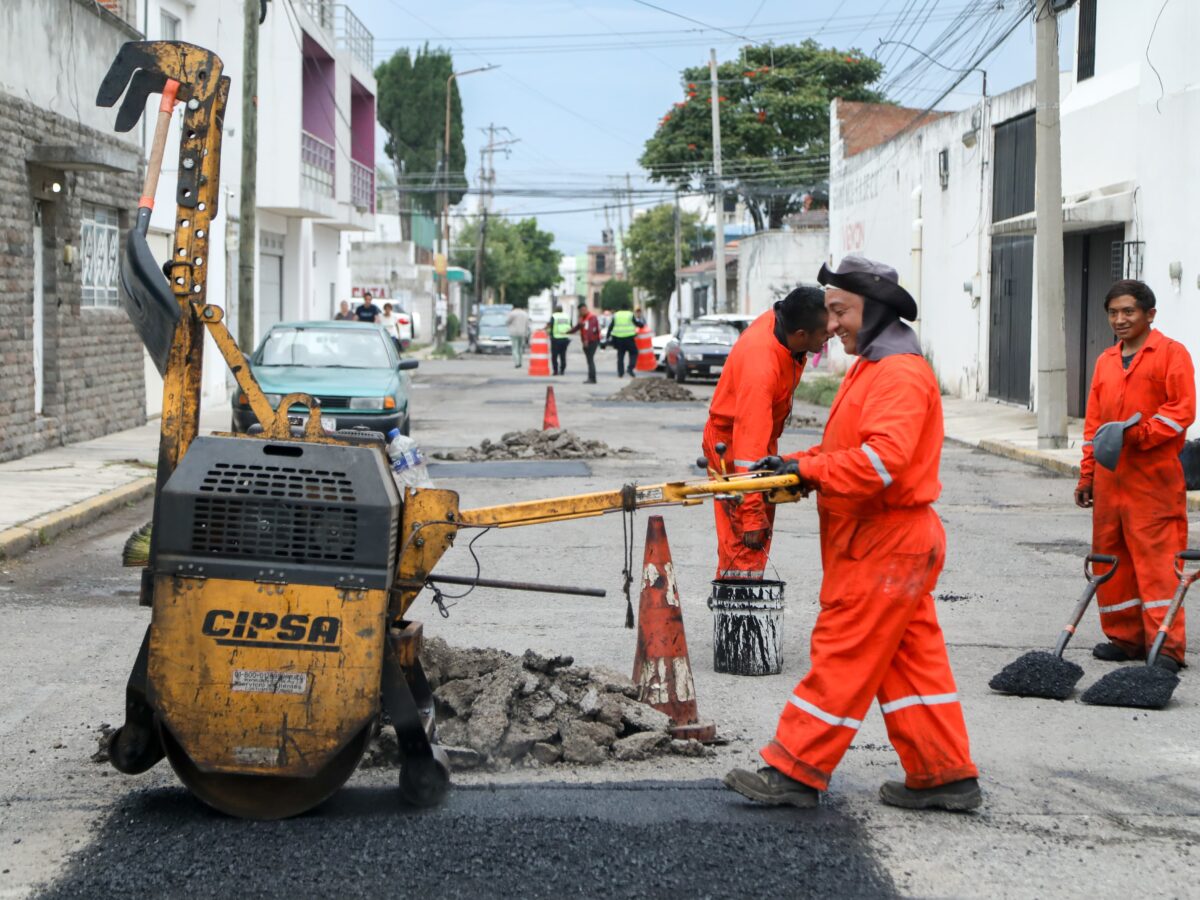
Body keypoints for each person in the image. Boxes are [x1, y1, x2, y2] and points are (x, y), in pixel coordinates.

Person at [725, 255, 980, 812]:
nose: (831, 324)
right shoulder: (873, 365)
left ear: (876, 309)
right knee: (911, 664)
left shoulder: (898, 374)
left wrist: (809, 470)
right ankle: (944, 775)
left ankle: (794, 769)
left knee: (841, 655)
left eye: (840, 311)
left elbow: (880, 464)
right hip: (885, 543)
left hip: (884, 544)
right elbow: (847, 449)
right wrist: (793, 466)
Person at [1075, 279, 1195, 671]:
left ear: (1149, 314)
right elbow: (1094, 425)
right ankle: (1125, 639)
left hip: (1153, 482)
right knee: (1112, 562)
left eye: (1129, 311)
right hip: (1111, 482)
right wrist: (1088, 474)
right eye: (1113, 313)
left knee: (1158, 565)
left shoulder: (1171, 354)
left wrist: (1141, 434)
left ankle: (1166, 647)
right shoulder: (1106, 361)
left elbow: (1181, 410)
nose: (1120, 319)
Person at [702, 285, 828, 581]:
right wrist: (752, 515)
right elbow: (748, 451)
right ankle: (740, 602)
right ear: (801, 334)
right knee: (746, 541)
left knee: (752, 537)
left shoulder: (784, 330)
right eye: (824, 332)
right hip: (733, 446)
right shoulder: (761, 366)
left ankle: (742, 591)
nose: (831, 335)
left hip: (754, 439)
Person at [606, 306, 645, 377]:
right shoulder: (630, 314)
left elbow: (611, 326)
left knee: (620, 356)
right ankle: (630, 368)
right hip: (629, 338)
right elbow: (636, 323)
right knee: (634, 353)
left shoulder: (616, 315)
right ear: (627, 308)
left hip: (618, 338)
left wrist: (607, 336)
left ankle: (620, 373)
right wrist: (642, 325)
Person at [569, 302, 602, 383]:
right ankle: (591, 378)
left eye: (583, 310)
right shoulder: (583, 318)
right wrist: (567, 332)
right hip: (587, 341)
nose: (582, 312)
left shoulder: (591, 318)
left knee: (590, 360)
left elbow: (590, 330)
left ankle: (592, 378)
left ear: (586, 309)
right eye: (580, 311)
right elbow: (577, 327)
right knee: (589, 360)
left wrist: (586, 341)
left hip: (592, 341)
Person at [548, 305, 572, 376]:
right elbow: (571, 325)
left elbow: (551, 326)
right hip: (565, 338)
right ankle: (562, 370)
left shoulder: (554, 316)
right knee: (563, 355)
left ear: (555, 310)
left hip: (556, 338)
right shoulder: (567, 316)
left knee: (554, 356)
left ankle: (555, 370)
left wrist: (549, 333)